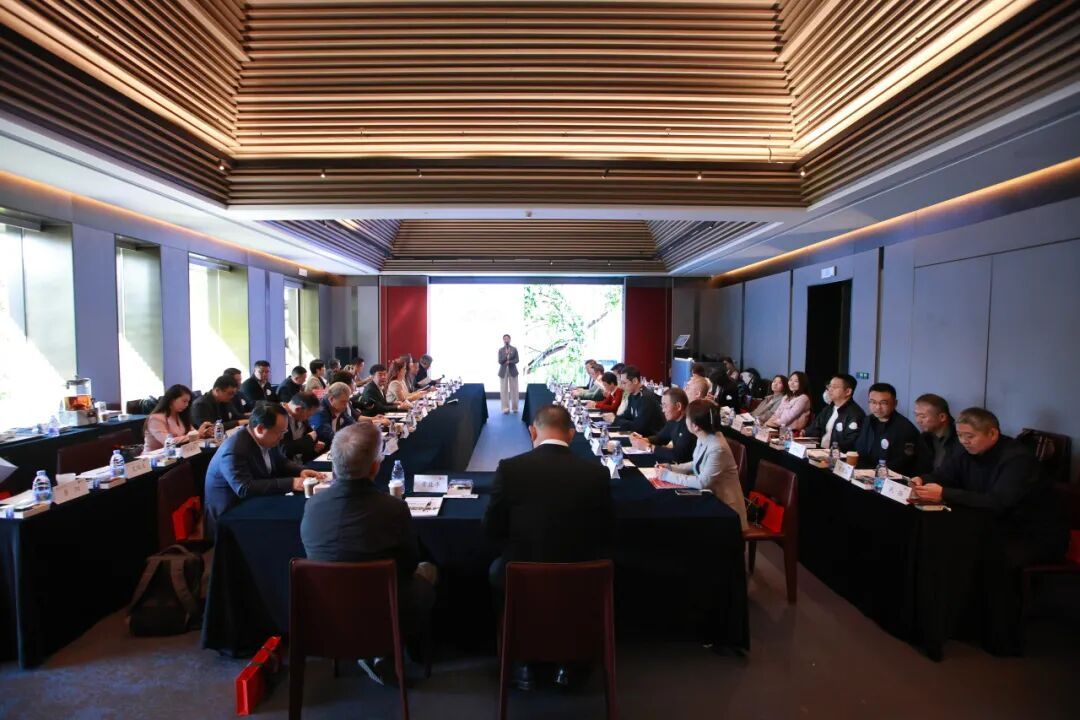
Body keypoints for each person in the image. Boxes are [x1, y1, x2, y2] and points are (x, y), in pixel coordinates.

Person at [909, 407, 1068, 654]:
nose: (964, 441)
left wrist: (944, 493)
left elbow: (999, 501)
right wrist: (923, 479)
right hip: (992, 525)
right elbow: (944, 475)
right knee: (952, 545)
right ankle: (958, 622)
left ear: (992, 433)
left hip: (1032, 534)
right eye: (960, 436)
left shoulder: (1017, 459)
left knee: (989, 557)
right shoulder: (965, 451)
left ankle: (1000, 636)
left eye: (970, 436)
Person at [483, 404, 614, 690]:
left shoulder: (510, 469)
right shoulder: (596, 474)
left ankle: (522, 661)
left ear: (532, 432)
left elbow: (492, 528)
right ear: (572, 434)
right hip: (581, 575)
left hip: (522, 572)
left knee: (497, 572)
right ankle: (572, 663)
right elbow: (606, 531)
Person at [301, 422, 437, 680]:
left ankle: (375, 651)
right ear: (375, 466)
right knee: (428, 571)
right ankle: (397, 648)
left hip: (328, 605)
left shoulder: (313, 505)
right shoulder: (392, 508)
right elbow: (410, 564)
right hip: (385, 603)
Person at [203, 402, 322, 535]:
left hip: (257, 501)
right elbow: (244, 488)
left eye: (284, 432)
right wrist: (292, 483)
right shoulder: (235, 449)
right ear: (260, 429)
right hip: (231, 513)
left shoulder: (267, 438)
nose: (282, 437)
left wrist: (300, 471)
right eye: (280, 432)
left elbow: (280, 461)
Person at [656, 400, 747, 529]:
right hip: (709, 497)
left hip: (725, 508)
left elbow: (702, 482)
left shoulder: (717, 447)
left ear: (695, 426)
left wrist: (667, 476)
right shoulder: (704, 436)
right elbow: (696, 463)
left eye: (687, 418)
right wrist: (672, 468)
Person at [854, 383, 930, 476]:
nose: (877, 407)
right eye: (873, 402)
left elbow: (905, 462)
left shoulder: (905, 428)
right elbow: (860, 449)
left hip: (891, 477)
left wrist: (875, 472)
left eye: (883, 403)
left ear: (895, 403)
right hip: (864, 473)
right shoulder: (867, 421)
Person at [631, 386, 696, 463]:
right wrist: (643, 440)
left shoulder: (689, 425)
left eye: (665, 406)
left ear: (678, 406)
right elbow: (661, 438)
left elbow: (678, 455)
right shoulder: (673, 420)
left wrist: (649, 447)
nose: (663, 410)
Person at [804, 373, 866, 452]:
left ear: (848, 391)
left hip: (837, 456)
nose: (830, 389)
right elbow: (814, 429)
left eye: (834, 387)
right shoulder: (828, 409)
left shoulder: (856, 414)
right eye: (829, 386)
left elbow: (850, 443)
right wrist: (803, 433)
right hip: (819, 452)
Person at [144, 384, 212, 451]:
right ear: (172, 400)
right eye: (184, 401)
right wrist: (196, 434)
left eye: (188, 402)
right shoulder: (156, 418)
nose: (187, 405)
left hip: (179, 453)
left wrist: (203, 433)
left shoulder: (181, 415)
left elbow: (193, 432)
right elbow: (168, 442)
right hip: (155, 456)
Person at [610, 365, 665, 435]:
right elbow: (627, 416)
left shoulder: (646, 398)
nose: (621, 386)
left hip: (651, 437)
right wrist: (614, 418)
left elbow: (639, 427)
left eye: (624, 383)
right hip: (639, 435)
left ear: (635, 381)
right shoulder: (631, 395)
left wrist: (615, 420)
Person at [913, 393, 960, 471]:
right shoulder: (924, 438)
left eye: (923, 416)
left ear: (942, 417)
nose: (918, 421)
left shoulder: (959, 440)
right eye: (916, 415)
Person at [281, 392, 325, 463]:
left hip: (302, 462)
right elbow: (284, 450)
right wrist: (309, 439)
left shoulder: (300, 416)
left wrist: (314, 444)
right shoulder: (279, 417)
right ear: (298, 409)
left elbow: (311, 435)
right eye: (308, 415)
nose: (308, 418)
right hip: (287, 465)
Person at [498, 334, 519, 414]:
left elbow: (517, 360)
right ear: (503, 340)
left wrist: (510, 361)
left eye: (507, 338)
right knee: (504, 390)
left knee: (514, 389)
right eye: (504, 339)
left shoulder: (514, 349)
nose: (506, 340)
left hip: (513, 370)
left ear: (510, 339)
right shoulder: (500, 350)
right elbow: (500, 361)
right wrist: (506, 355)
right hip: (503, 371)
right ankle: (505, 408)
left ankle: (515, 408)